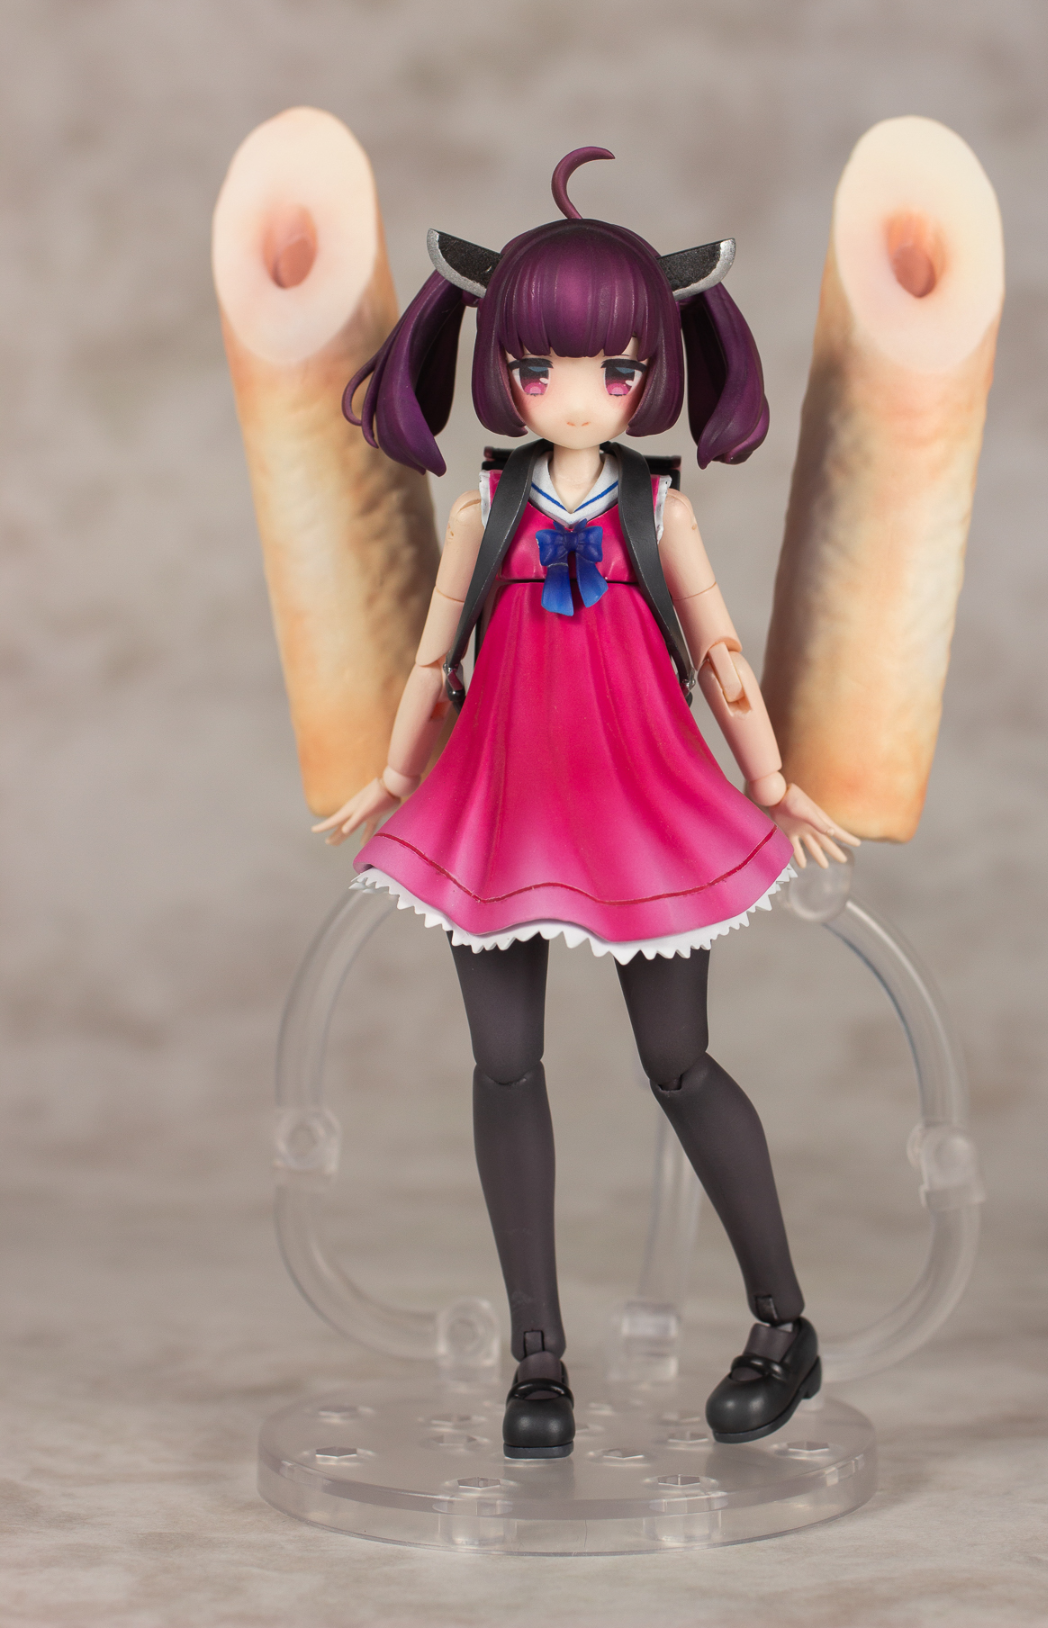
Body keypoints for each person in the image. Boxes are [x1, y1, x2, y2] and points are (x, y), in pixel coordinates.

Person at [315, 148, 857, 1459]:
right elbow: (435, 658)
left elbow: (719, 651)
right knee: (505, 1065)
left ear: (652, 370)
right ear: (500, 366)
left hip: (639, 802)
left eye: (613, 369)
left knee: (679, 1063)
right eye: (540, 366)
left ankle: (784, 1324)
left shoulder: (657, 505)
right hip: (498, 805)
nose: (574, 393)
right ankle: (538, 1361)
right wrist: (393, 775)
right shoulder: (485, 508)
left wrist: (772, 782)